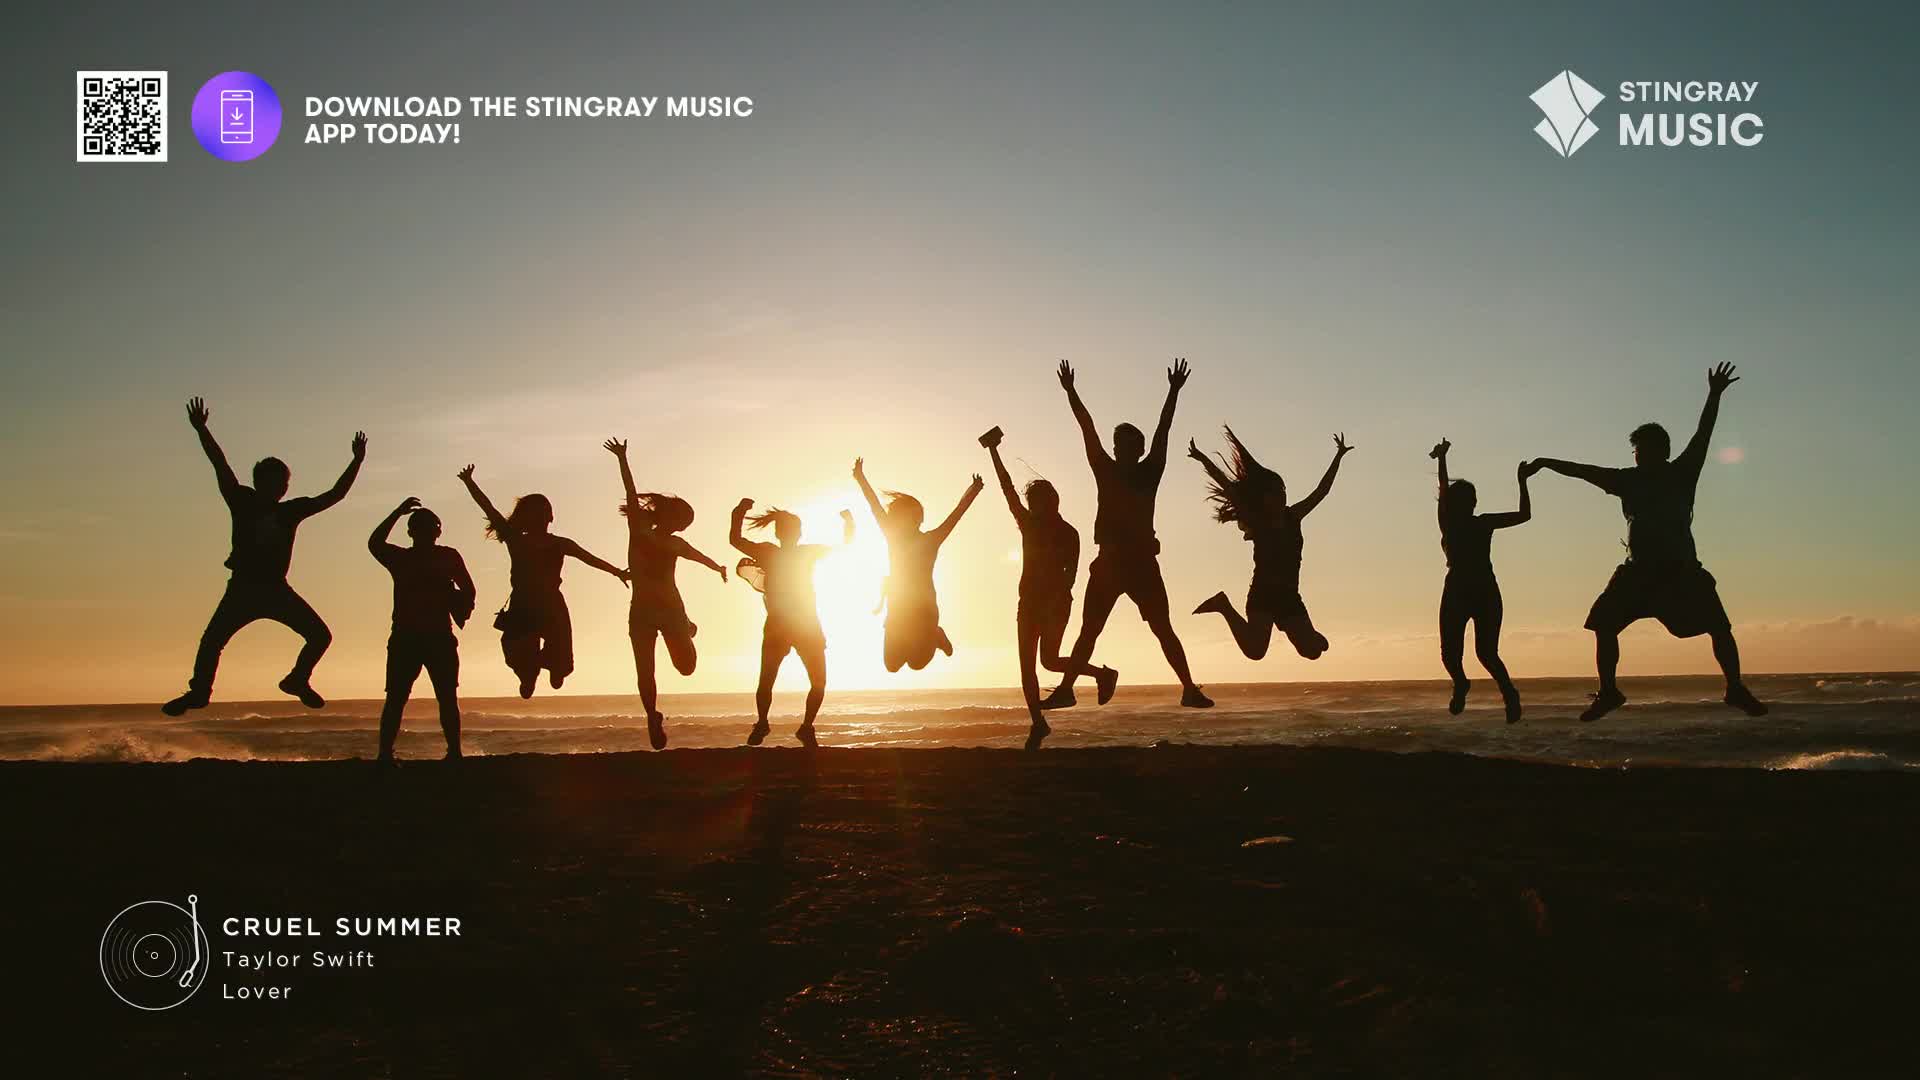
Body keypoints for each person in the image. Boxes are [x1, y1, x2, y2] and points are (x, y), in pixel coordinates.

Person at [1528, 362, 1768, 721]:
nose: (1637, 455)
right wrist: (1547, 462)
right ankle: (1609, 692)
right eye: (1636, 450)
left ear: (1661, 451)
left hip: (1681, 572)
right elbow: (1585, 471)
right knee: (1603, 624)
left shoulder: (1682, 472)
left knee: (1720, 627)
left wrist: (1714, 395)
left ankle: (1735, 687)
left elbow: (1704, 433)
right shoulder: (1627, 479)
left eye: (1641, 449)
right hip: (1637, 574)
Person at [163, 398, 365, 716]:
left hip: (275, 589)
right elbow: (220, 464)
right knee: (212, 641)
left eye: (282, 484)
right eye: (274, 483)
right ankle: (199, 692)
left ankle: (297, 679)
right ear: (259, 483)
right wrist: (202, 430)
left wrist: (357, 461)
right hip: (243, 588)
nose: (279, 489)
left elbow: (335, 495)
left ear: (285, 487)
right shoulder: (241, 500)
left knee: (320, 635)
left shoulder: (290, 511)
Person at [1046, 359, 1212, 709]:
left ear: (1137, 449)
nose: (1120, 448)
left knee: (1163, 629)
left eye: (1126, 443)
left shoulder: (1150, 471)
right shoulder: (1104, 469)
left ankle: (1189, 689)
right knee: (1088, 632)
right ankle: (1066, 690)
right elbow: (1086, 428)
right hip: (1108, 563)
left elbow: (1163, 431)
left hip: (1141, 564)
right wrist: (1071, 392)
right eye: (1117, 443)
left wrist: (1173, 391)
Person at [983, 428, 1118, 748]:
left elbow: (1071, 575)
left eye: (1038, 502)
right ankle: (1040, 723)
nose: (1033, 507)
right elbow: (1007, 490)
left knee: (1048, 661)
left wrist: (1056, 600)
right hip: (1028, 602)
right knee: (1033, 665)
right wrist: (993, 452)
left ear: (1051, 502)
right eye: (1032, 503)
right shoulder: (1028, 524)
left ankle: (1101, 676)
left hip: (1055, 603)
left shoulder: (1068, 533)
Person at [457, 464, 629, 699]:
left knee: (561, 663)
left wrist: (617, 572)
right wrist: (470, 483)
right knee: (520, 656)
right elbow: (489, 509)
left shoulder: (559, 543)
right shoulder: (516, 540)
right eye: (537, 512)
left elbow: (590, 559)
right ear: (528, 518)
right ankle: (529, 675)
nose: (543, 516)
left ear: (550, 517)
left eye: (545, 511)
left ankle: (550, 668)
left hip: (550, 605)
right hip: (523, 605)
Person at [1187, 427, 1352, 666]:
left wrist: (1338, 456)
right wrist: (1202, 458)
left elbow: (1321, 491)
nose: (1281, 496)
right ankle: (1223, 606)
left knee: (1312, 652)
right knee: (1255, 652)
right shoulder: (1257, 520)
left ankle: (1307, 635)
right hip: (1263, 594)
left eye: (1283, 491)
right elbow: (1227, 486)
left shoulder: (1294, 515)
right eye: (1275, 492)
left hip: (1289, 596)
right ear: (1265, 497)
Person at [604, 438, 728, 750]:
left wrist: (718, 568)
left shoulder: (675, 545)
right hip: (641, 612)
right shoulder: (639, 531)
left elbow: (698, 555)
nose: (682, 529)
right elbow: (631, 494)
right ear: (669, 517)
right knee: (645, 670)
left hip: (672, 611)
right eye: (681, 522)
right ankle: (651, 716)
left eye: (685, 525)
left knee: (686, 668)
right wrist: (622, 458)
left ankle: (687, 628)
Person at [731, 498, 854, 747]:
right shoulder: (786, 552)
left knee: (781, 679)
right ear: (795, 532)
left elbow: (735, 540)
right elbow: (845, 545)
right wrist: (849, 522)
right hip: (795, 624)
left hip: (796, 623)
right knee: (806, 680)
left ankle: (789, 726)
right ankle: (785, 725)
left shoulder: (779, 552)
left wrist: (739, 512)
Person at [1429, 439, 1534, 723]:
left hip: (1484, 591)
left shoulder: (1483, 522)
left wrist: (1522, 481)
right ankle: (1461, 684)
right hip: (1457, 591)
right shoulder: (1448, 522)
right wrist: (1441, 459)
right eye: (1465, 500)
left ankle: (1509, 693)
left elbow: (1524, 515)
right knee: (1450, 655)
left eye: (1472, 500)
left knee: (1486, 653)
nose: (1471, 504)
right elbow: (1442, 487)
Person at [368, 497, 476, 761]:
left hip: (423, 636)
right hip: (419, 636)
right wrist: (457, 600)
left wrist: (396, 512)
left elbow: (374, 543)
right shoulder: (417, 558)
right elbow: (470, 590)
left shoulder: (409, 558)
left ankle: (389, 754)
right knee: (435, 698)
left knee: (405, 699)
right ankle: (451, 753)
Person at [851, 456, 983, 672]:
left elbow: (956, 515)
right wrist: (860, 478)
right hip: (898, 608)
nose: (896, 521)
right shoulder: (892, 536)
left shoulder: (931, 539)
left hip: (924, 610)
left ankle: (935, 635)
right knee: (892, 665)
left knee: (917, 664)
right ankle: (931, 637)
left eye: (903, 517)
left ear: (918, 519)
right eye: (895, 517)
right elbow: (874, 506)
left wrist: (974, 490)